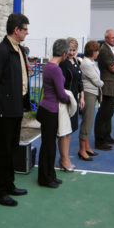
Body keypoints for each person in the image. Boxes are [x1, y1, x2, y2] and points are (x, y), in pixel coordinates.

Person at [0, 13, 32, 208]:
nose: (27, 32)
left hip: (16, 107)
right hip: (5, 108)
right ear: (16, 30)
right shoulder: (2, 51)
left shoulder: (18, 49)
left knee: (12, 148)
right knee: (2, 151)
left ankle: (9, 184)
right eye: (25, 29)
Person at [37, 39, 72, 189]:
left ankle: (50, 175)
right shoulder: (55, 69)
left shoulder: (49, 66)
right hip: (50, 111)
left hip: (46, 109)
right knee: (48, 146)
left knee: (48, 145)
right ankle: (45, 178)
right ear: (64, 54)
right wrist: (70, 99)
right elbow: (61, 93)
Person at [57, 37, 84, 172]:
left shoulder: (76, 62)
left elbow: (79, 81)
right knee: (64, 132)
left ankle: (65, 157)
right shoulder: (63, 64)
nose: (72, 53)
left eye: (74, 50)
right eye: (70, 50)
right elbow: (60, 84)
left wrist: (82, 97)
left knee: (70, 130)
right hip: (65, 101)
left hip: (74, 100)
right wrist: (66, 99)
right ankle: (64, 159)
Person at [94, 29, 114, 150]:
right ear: (106, 38)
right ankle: (99, 141)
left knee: (109, 113)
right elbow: (113, 68)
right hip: (107, 86)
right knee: (103, 114)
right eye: (112, 38)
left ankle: (107, 136)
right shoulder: (104, 50)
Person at [78, 40, 102, 161]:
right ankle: (82, 150)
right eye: (97, 51)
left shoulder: (91, 62)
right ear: (93, 52)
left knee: (89, 121)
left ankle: (86, 147)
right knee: (86, 122)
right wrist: (104, 84)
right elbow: (96, 80)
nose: (98, 53)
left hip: (92, 93)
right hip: (88, 94)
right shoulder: (86, 64)